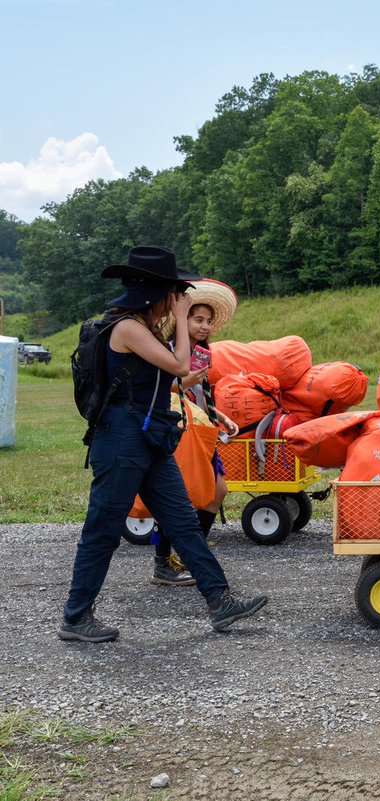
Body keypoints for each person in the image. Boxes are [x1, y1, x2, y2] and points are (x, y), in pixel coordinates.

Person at [59, 246, 268, 642]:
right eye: (174, 293)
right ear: (157, 293)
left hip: (150, 433)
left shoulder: (144, 328)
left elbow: (168, 381)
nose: (178, 299)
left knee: (183, 522)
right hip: (121, 437)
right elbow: (178, 365)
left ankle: (220, 601)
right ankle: (75, 617)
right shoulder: (126, 327)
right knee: (102, 529)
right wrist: (182, 320)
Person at [150, 279, 240, 586]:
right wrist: (187, 382)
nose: (204, 326)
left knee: (216, 492)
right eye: (197, 319)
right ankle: (164, 562)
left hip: (200, 428)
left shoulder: (201, 353)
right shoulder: (167, 350)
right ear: (181, 319)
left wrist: (220, 416)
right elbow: (162, 390)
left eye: (208, 321)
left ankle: (187, 555)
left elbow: (197, 397)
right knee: (178, 497)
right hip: (177, 431)